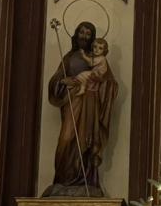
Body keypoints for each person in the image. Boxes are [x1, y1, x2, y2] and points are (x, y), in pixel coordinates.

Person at [48, 23, 119, 194]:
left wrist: (98, 83)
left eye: (88, 34)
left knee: (85, 141)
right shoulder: (69, 58)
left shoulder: (98, 59)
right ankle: (63, 179)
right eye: (82, 32)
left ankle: (85, 180)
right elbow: (56, 80)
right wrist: (63, 82)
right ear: (76, 34)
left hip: (90, 105)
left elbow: (111, 84)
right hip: (72, 103)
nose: (84, 36)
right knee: (66, 138)